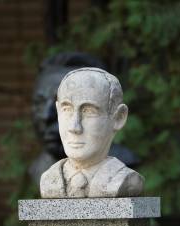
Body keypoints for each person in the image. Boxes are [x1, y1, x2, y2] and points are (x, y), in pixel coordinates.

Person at [40, 67, 144, 198]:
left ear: (118, 118)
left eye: (89, 111)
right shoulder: (50, 180)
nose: (74, 127)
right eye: (67, 109)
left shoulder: (126, 181)